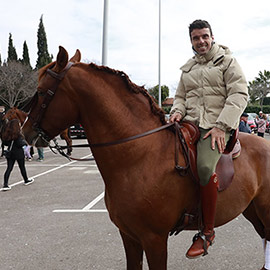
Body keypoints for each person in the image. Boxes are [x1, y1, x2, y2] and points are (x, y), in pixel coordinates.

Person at [169, 19, 248, 258]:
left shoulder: (227, 61)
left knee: (204, 167)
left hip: (216, 125)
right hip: (189, 122)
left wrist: (222, 126)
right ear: (191, 41)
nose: (201, 41)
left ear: (212, 37)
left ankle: (207, 233)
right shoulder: (187, 68)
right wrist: (177, 111)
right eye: (196, 38)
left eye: (204, 36)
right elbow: (180, 96)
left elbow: (239, 94)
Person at [1, 119, 34, 191]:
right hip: (18, 153)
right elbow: (20, 144)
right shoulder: (18, 134)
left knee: (9, 168)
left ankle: (5, 184)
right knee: (22, 167)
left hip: (10, 153)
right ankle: (26, 180)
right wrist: (25, 143)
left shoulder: (7, 133)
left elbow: (5, 143)